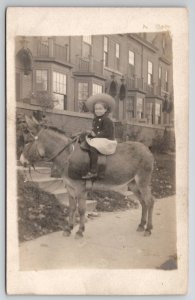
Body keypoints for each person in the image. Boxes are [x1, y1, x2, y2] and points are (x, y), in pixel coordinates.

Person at [82, 93, 117, 179]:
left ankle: (93, 171)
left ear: (105, 110)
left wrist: (96, 135)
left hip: (107, 140)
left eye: (100, 109)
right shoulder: (95, 119)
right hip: (99, 139)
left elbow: (106, 132)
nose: (98, 111)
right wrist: (90, 134)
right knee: (84, 140)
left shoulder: (107, 120)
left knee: (93, 147)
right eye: (96, 109)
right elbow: (95, 130)